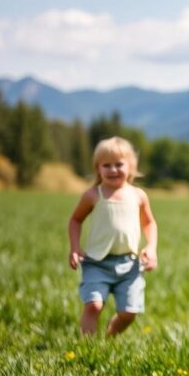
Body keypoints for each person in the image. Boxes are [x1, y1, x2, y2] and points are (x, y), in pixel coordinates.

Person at [68, 137, 158, 336]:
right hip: (97, 262)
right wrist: (74, 247)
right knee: (94, 305)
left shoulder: (138, 196)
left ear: (131, 167)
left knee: (129, 312)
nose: (113, 170)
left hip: (130, 264)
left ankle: (111, 335)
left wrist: (151, 247)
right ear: (97, 168)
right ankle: (86, 349)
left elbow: (149, 223)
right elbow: (75, 220)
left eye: (119, 164)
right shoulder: (93, 195)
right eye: (106, 165)